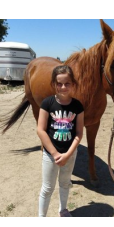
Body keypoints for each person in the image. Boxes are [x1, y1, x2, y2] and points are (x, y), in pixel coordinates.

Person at [37, 65, 84, 217]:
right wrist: (55, 153)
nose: (63, 87)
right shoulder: (47, 103)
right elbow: (41, 130)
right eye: (59, 83)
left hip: (70, 154)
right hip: (51, 155)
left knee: (65, 183)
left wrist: (68, 154)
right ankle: (41, 217)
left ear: (73, 84)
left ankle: (63, 210)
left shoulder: (78, 106)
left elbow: (78, 133)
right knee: (47, 188)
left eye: (67, 83)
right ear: (54, 84)